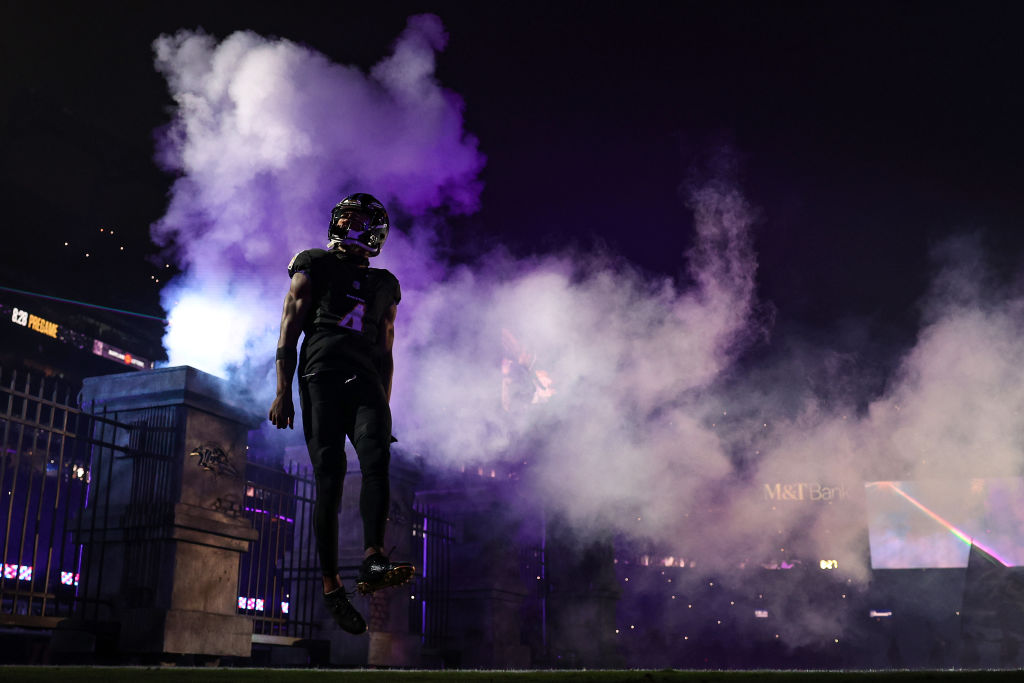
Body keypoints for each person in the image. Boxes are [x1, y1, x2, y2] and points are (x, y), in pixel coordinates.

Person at [268, 192, 413, 635]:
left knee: (376, 460)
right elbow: (288, 331)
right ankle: (332, 587)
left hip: (366, 384)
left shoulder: (385, 284)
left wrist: (385, 406)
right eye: (344, 217)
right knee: (328, 480)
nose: (346, 224)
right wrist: (282, 392)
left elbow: (386, 352)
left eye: (356, 220)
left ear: (374, 232)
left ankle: (373, 557)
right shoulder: (312, 263)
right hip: (321, 377)